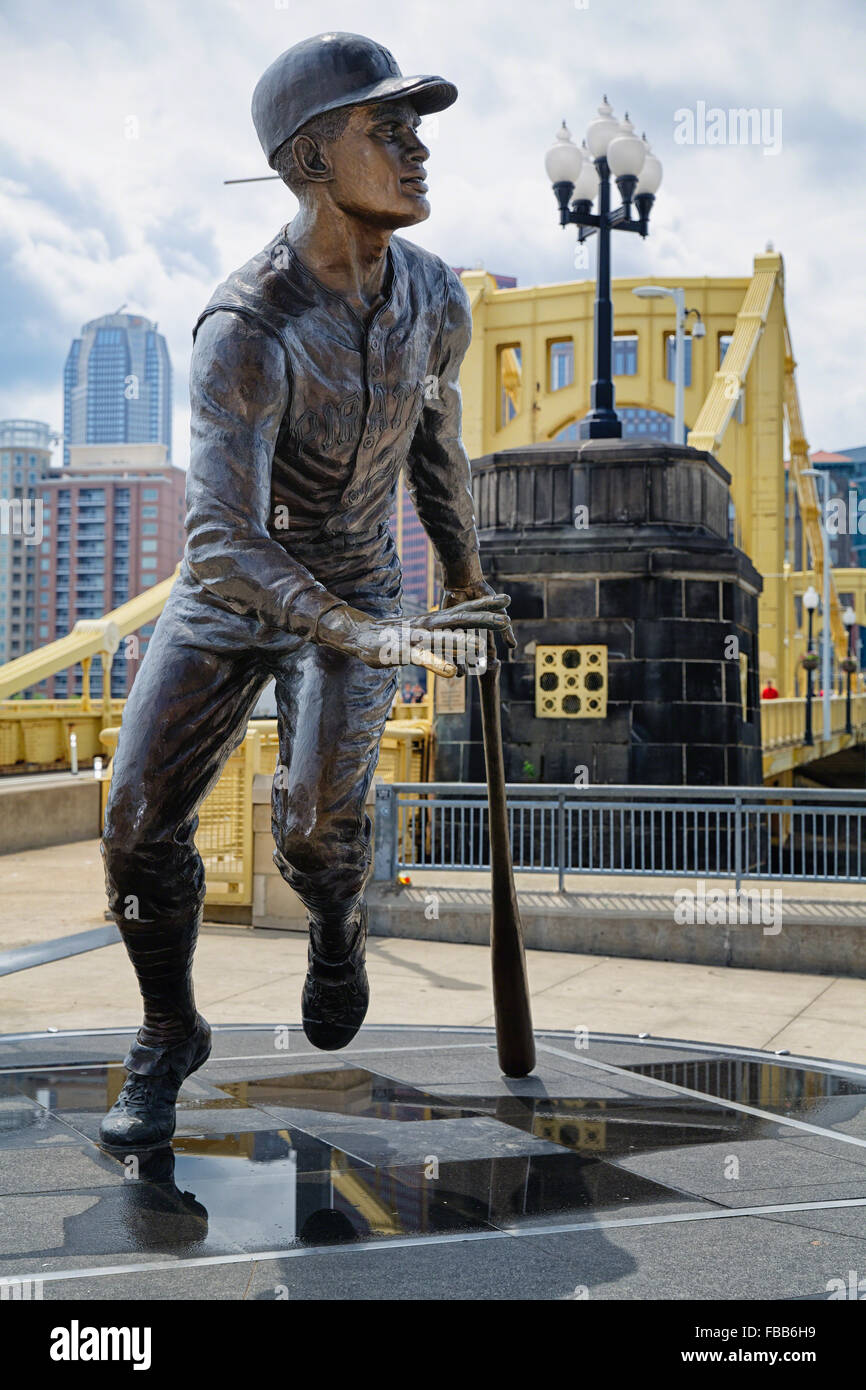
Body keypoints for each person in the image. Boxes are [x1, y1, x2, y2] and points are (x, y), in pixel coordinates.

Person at [99, 32, 514, 1148]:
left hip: (358, 592)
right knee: (133, 825)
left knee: (315, 835)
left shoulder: (436, 301)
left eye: (416, 127)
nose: (417, 150)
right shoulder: (248, 329)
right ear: (311, 161)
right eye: (388, 130)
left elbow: (434, 454)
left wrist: (466, 589)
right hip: (233, 594)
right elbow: (226, 540)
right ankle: (167, 1033)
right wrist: (366, 637)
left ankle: (337, 920)